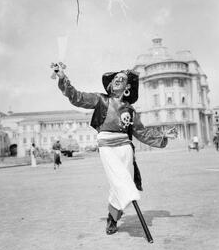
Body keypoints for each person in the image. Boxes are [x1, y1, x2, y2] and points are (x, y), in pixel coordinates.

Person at [54, 65, 177, 235]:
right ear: (111, 85)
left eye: (123, 79)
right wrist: (62, 78)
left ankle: (112, 218)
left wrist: (163, 136)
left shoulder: (130, 110)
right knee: (121, 181)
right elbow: (77, 97)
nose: (119, 79)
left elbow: (142, 132)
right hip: (106, 147)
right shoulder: (100, 100)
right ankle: (126, 198)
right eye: (116, 78)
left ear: (127, 88)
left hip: (125, 148)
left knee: (118, 185)